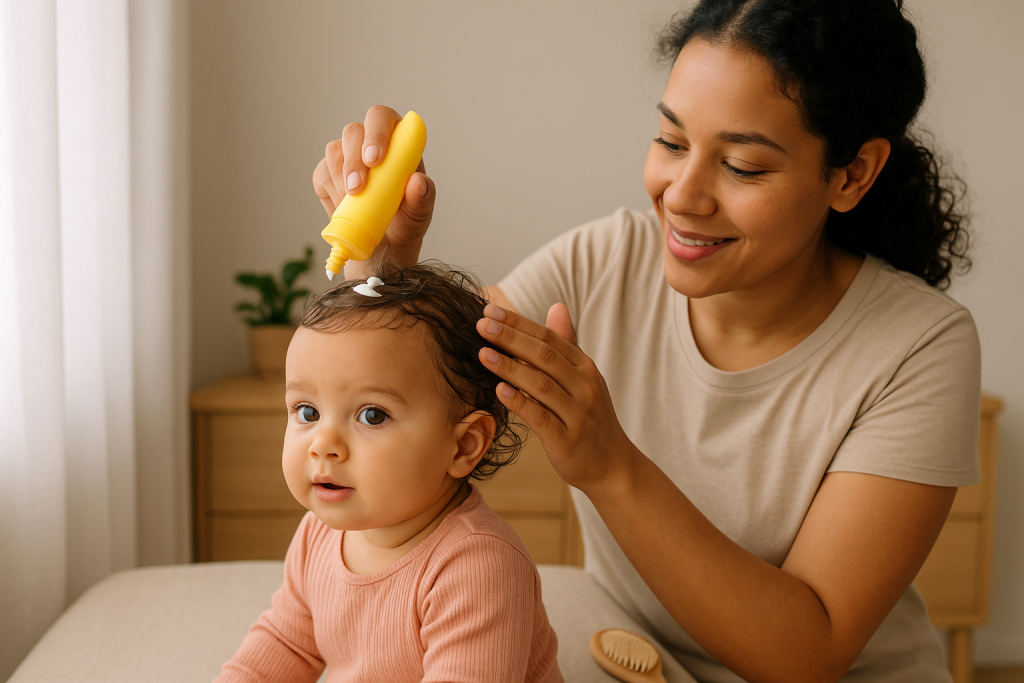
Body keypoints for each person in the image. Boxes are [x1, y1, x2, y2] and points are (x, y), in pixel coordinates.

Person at [311, 1, 980, 680]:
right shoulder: (604, 263)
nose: (683, 195)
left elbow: (808, 650)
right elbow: (425, 391)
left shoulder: (919, 346)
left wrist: (609, 465)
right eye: (670, 141)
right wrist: (385, 264)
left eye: (743, 166)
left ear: (853, 173)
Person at [215, 263, 563, 683]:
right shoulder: (317, 535)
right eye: (307, 411)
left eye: (372, 415)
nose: (323, 444)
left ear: (464, 445)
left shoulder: (479, 565)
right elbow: (285, 645)